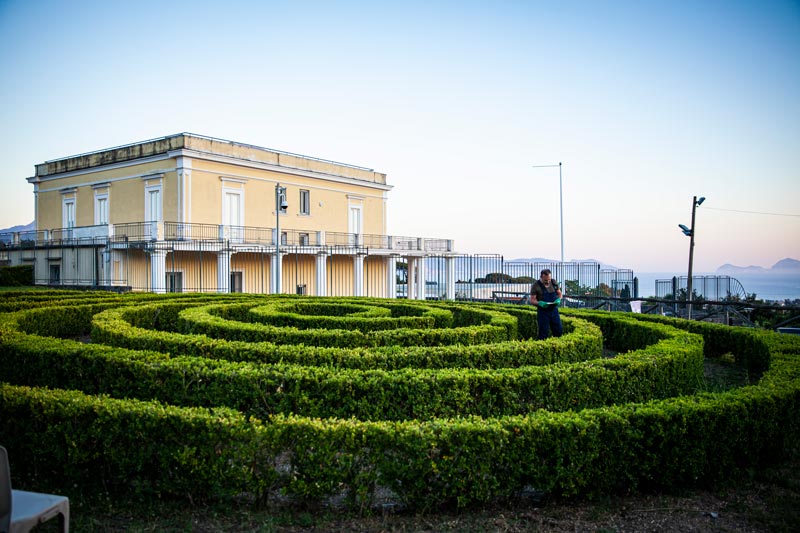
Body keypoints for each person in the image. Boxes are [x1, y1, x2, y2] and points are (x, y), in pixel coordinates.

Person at [530, 269, 563, 339]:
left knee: (558, 331)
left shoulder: (553, 282)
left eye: (549, 280)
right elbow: (532, 300)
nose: (548, 282)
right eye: (545, 280)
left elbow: (559, 293)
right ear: (541, 277)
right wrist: (540, 303)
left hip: (554, 311)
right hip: (543, 313)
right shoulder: (536, 286)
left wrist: (559, 299)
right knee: (543, 333)